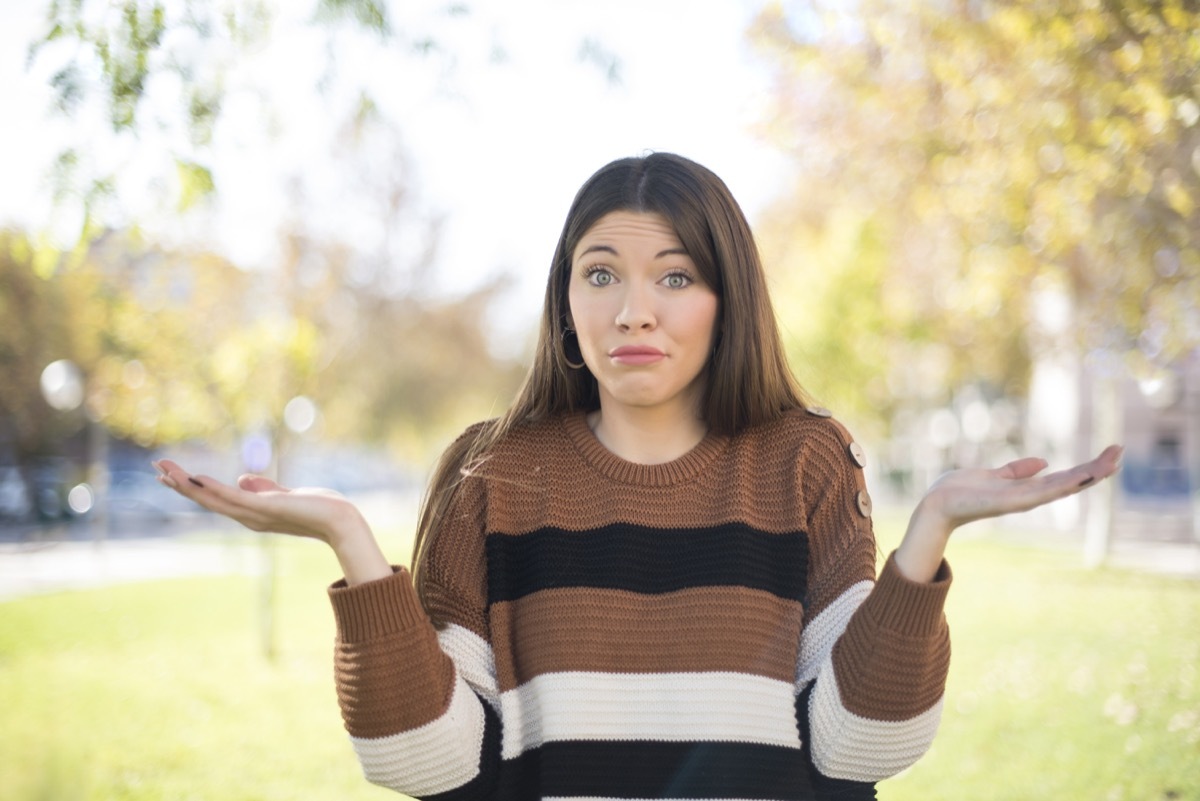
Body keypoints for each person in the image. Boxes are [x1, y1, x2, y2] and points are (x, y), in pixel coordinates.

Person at [154, 152, 1122, 801]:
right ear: (565, 297)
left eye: (676, 276)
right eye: (601, 273)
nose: (633, 312)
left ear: (725, 296)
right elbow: (427, 760)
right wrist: (351, 547)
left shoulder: (807, 461)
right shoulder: (491, 475)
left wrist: (930, 539)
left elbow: (857, 749)